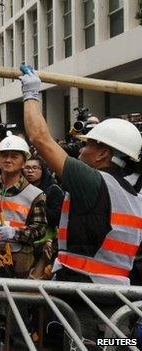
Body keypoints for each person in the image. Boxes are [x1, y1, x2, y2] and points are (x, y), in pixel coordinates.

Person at [19, 64, 142, 346]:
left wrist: (31, 93)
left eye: (88, 145)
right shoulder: (134, 190)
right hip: (115, 302)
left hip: (84, 300)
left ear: (103, 154)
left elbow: (39, 138)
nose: (81, 149)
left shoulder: (94, 182)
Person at [0, 135, 47, 278]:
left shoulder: (35, 194)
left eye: (14, 156)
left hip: (16, 262)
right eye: (4, 155)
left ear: (23, 163)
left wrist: (15, 233)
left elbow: (40, 229)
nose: (8, 160)